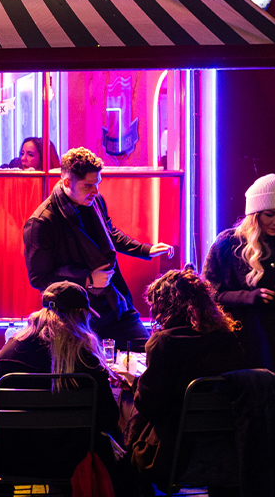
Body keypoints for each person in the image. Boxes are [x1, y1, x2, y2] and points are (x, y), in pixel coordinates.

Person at [128, 268, 275, 497]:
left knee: (124, 446)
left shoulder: (164, 342)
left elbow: (150, 404)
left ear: (164, 306)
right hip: (228, 457)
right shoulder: (228, 339)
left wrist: (134, 384)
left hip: (175, 458)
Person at [0, 282, 128, 497]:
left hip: (11, 459)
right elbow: (108, 418)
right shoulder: (87, 360)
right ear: (79, 315)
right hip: (73, 460)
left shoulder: (6, 353)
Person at [22, 147, 174, 349]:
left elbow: (110, 233)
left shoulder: (95, 201)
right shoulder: (42, 222)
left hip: (113, 302)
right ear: (67, 182)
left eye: (97, 185)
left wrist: (145, 250)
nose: (95, 191)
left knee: (147, 353)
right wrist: (87, 279)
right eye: (88, 186)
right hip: (73, 315)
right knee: (87, 374)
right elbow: (39, 278)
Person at [203, 174, 275, 387]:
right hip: (243, 347)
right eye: (270, 214)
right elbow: (210, 295)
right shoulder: (228, 243)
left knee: (274, 414)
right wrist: (248, 297)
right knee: (249, 415)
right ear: (254, 214)